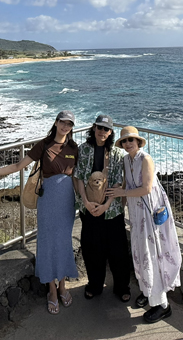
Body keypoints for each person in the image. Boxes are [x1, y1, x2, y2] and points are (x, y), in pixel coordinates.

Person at [0, 110, 79, 315]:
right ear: (55, 123)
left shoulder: (73, 147)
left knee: (63, 242)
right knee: (46, 243)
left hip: (67, 203)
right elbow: (19, 165)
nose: (65, 127)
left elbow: (79, 176)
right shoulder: (43, 145)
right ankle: (52, 290)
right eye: (62, 122)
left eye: (69, 124)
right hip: (48, 202)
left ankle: (63, 285)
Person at [106, 126, 181, 324]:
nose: (128, 143)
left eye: (131, 140)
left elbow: (146, 188)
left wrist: (122, 194)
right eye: (124, 141)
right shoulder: (126, 160)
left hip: (149, 213)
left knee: (152, 254)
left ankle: (162, 305)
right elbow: (127, 185)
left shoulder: (145, 159)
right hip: (137, 213)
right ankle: (149, 293)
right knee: (141, 254)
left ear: (138, 142)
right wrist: (118, 192)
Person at [73, 114, 131, 302]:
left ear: (111, 132)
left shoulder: (116, 154)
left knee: (118, 250)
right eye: (99, 128)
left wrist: (106, 205)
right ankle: (94, 285)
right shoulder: (84, 150)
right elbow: (79, 177)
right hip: (88, 207)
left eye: (106, 129)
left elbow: (117, 182)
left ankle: (122, 287)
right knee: (92, 249)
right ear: (94, 128)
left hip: (111, 210)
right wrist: (86, 203)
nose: (102, 132)